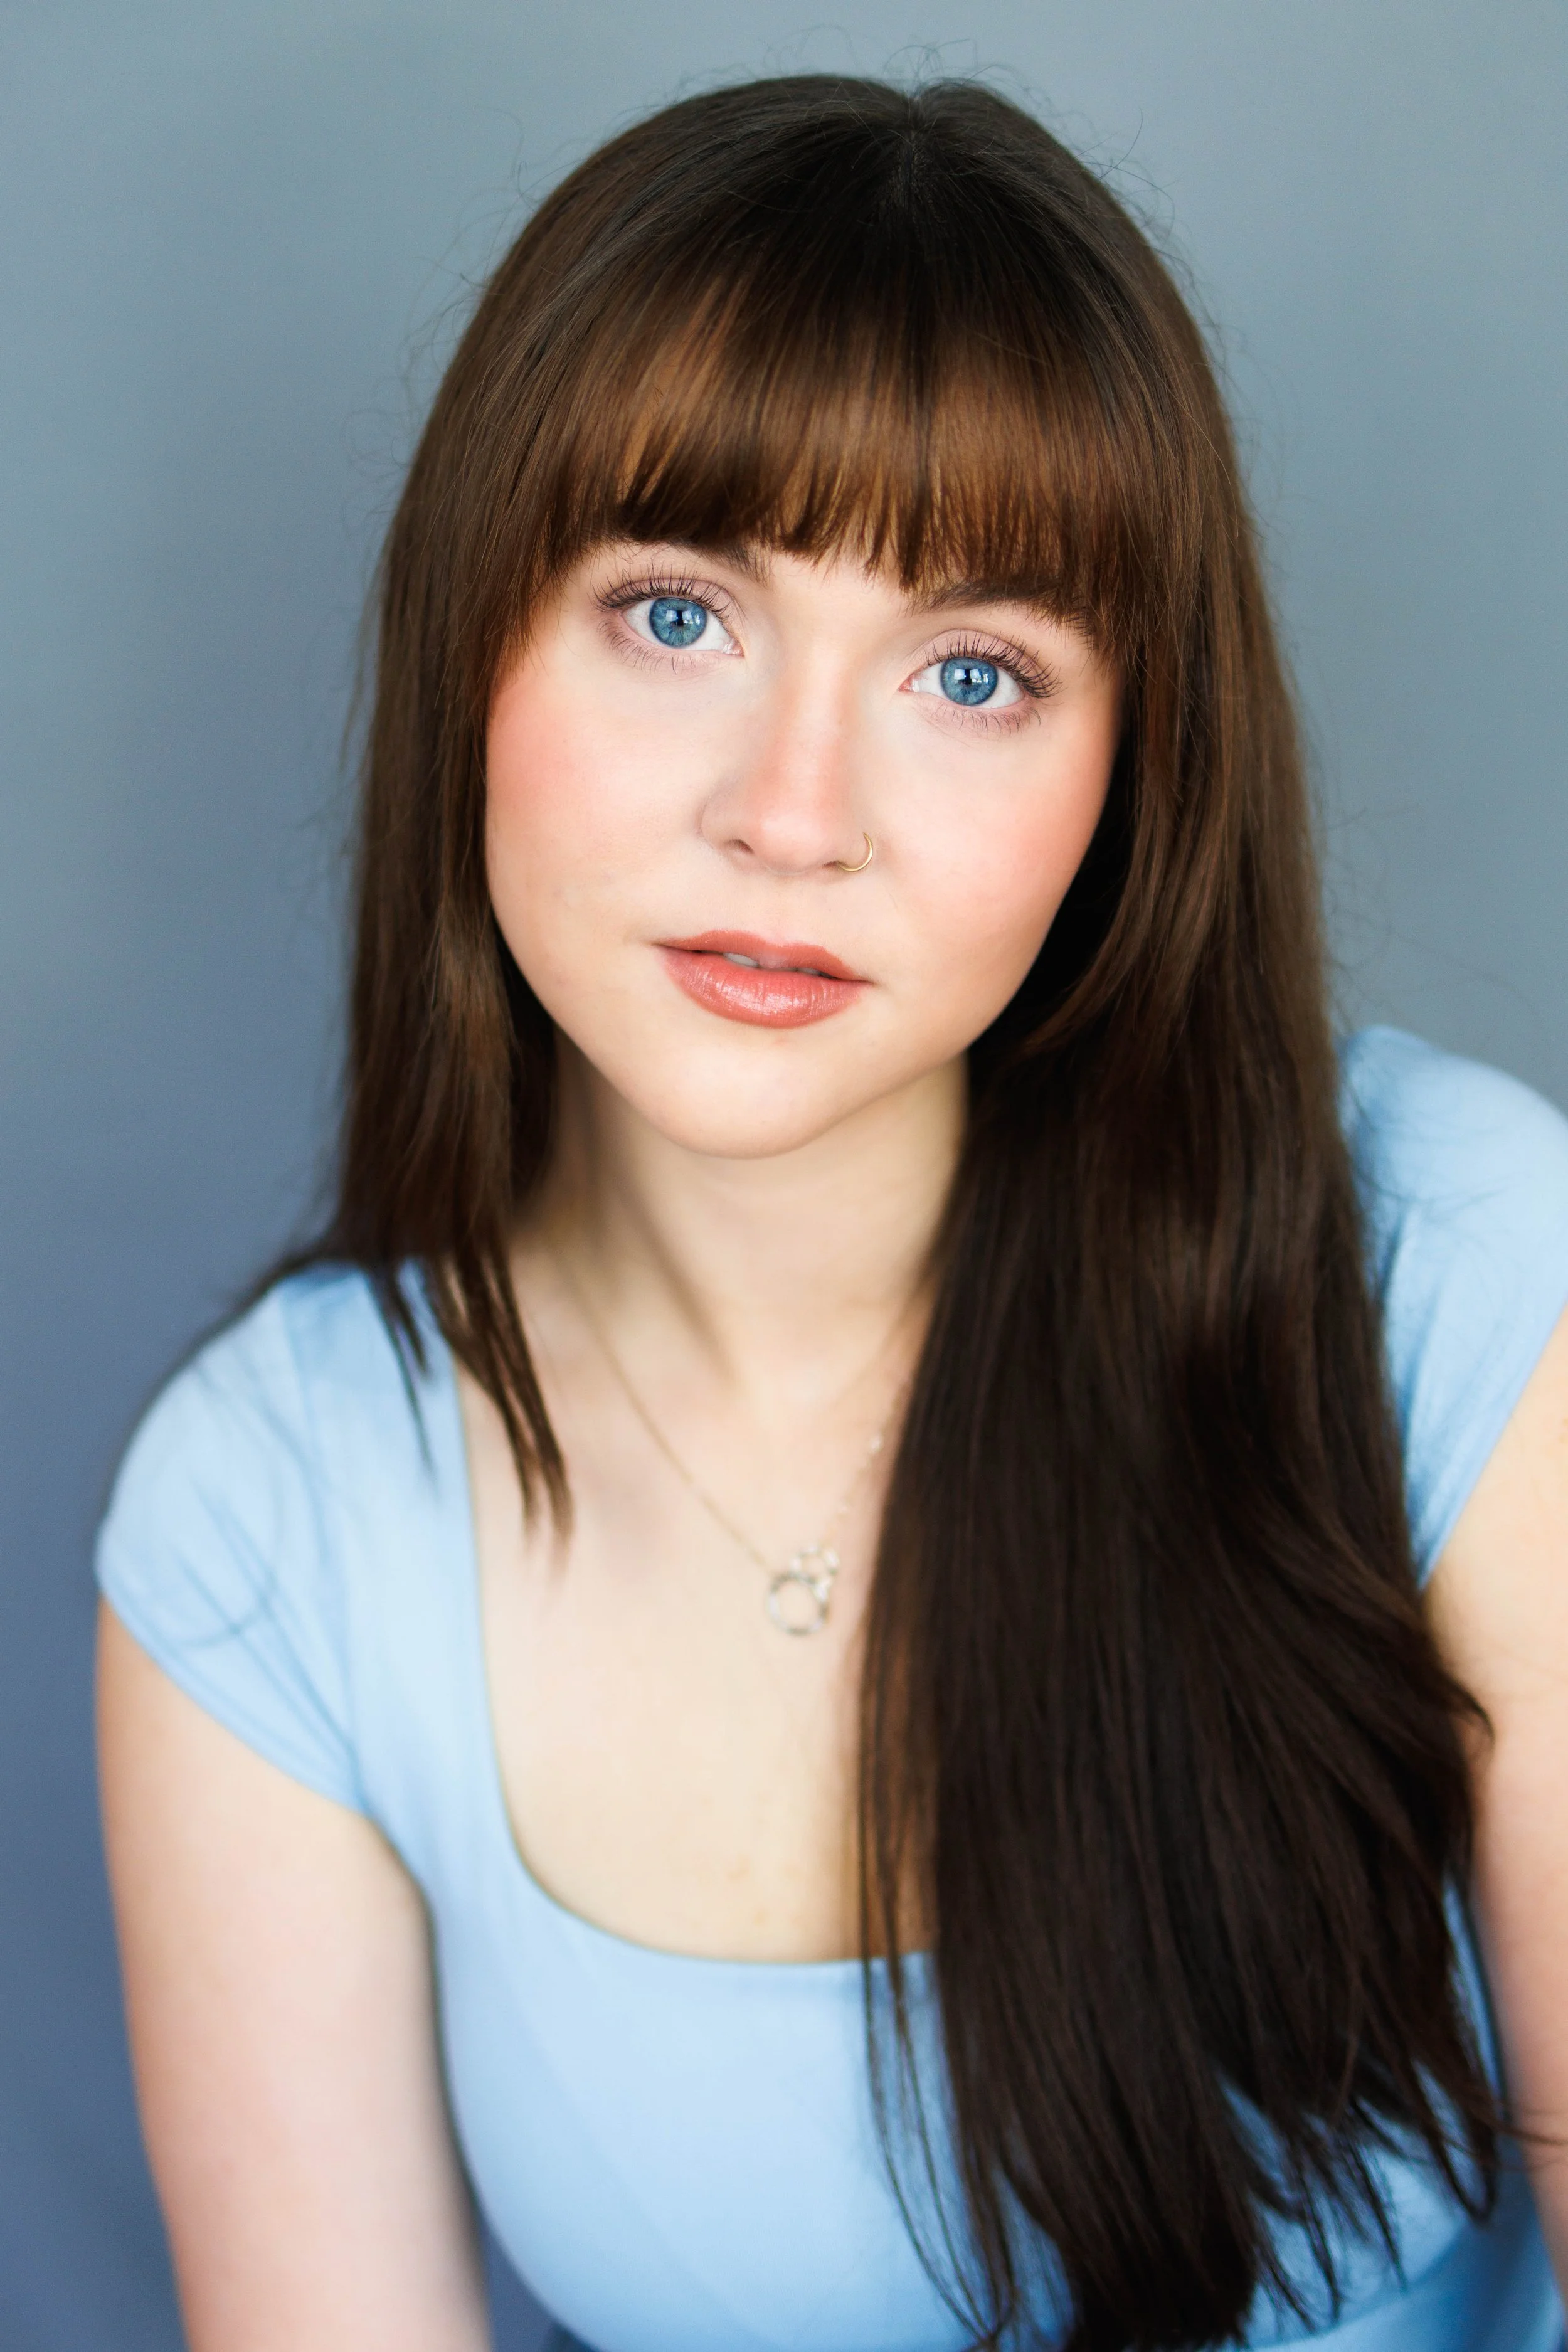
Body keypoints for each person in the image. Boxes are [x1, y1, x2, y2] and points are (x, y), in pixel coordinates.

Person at [93, 73, 1568, 2352]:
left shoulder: (1452, 1260)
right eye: (675, 613)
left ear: (1128, 776)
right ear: (475, 633)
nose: (796, 814)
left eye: (973, 674)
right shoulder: (268, 1522)